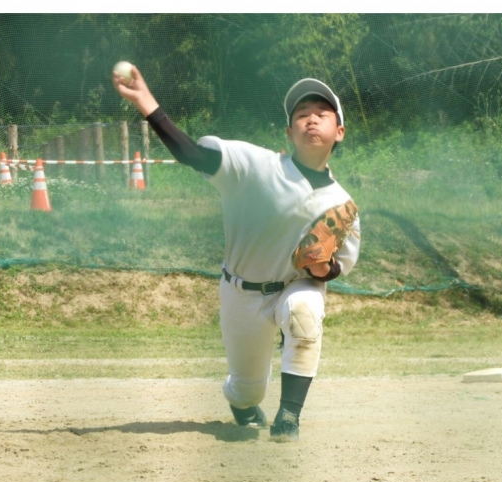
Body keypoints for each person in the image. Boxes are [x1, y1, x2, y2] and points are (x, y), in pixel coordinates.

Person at [112, 66, 360, 442]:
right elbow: (193, 154)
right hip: (241, 292)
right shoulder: (255, 167)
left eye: (321, 114)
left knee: (305, 310)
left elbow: (341, 265)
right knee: (247, 391)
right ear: (289, 132)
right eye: (301, 114)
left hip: (294, 286)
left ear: (339, 131)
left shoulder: (342, 203)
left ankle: (288, 417)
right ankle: (242, 402)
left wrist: (323, 268)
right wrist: (146, 102)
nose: (311, 119)